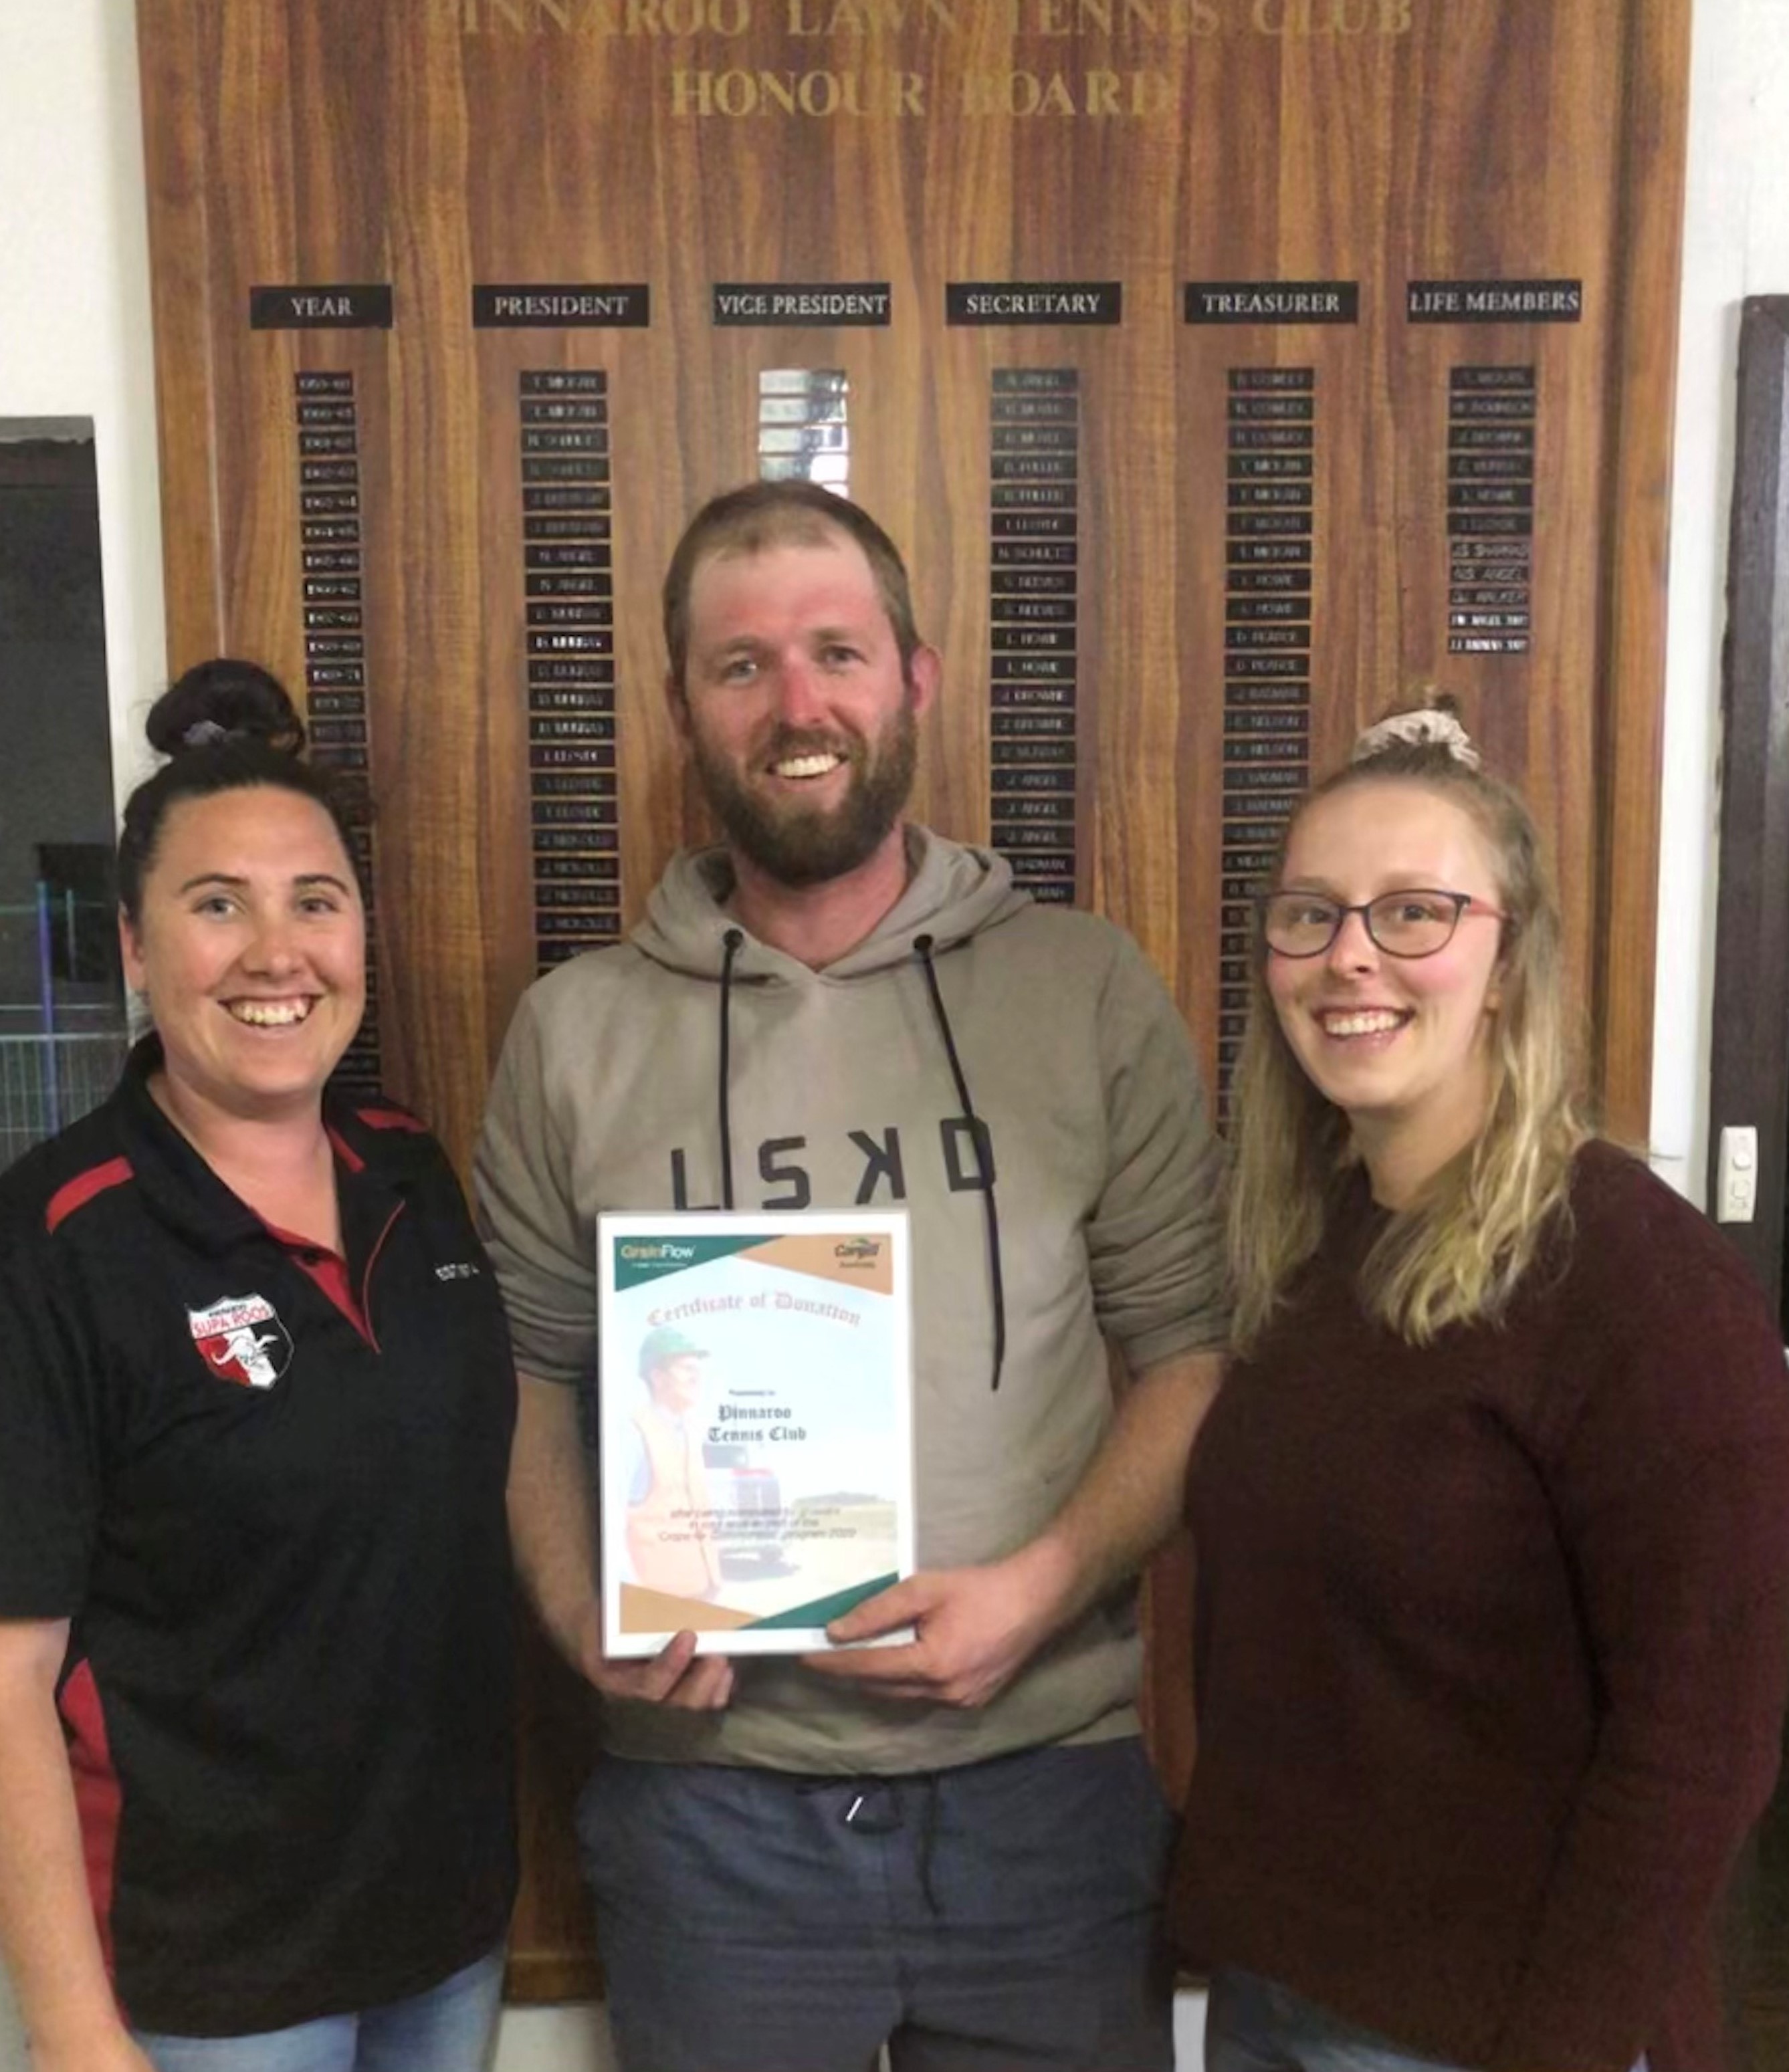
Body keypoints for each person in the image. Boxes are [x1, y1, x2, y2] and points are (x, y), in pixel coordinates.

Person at [476, 480, 1229, 2072]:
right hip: (712, 1815)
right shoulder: (576, 1033)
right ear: (680, 703)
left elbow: (1188, 1354)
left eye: (837, 651)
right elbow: (529, 1376)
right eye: (741, 664)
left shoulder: (1084, 991)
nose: (798, 701)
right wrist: (572, 1607)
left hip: (1044, 1792)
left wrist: (1036, 1585)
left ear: (917, 677)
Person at [1170, 702, 1789, 2072]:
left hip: (1491, 2033)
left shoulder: (1640, 1287)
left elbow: (1700, 1747)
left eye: (1412, 912)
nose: (1347, 956)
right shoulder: (1304, 1246)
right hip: (1277, 1993)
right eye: (1309, 913)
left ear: (1506, 962)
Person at [0, 661, 518, 2072]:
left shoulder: (411, 1171)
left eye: (316, 901)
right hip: (210, 1978)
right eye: (217, 903)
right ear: (132, 946)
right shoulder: (54, 1241)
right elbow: (7, 1673)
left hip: (442, 1929)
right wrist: (67, 2026)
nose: (275, 952)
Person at [625, 1325, 721, 1597]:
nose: (696, 1377)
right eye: (686, 1369)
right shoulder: (633, 1433)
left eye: (698, 1370)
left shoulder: (692, 1431)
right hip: (659, 1605)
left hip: (704, 1592)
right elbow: (614, 1528)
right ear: (657, 1377)